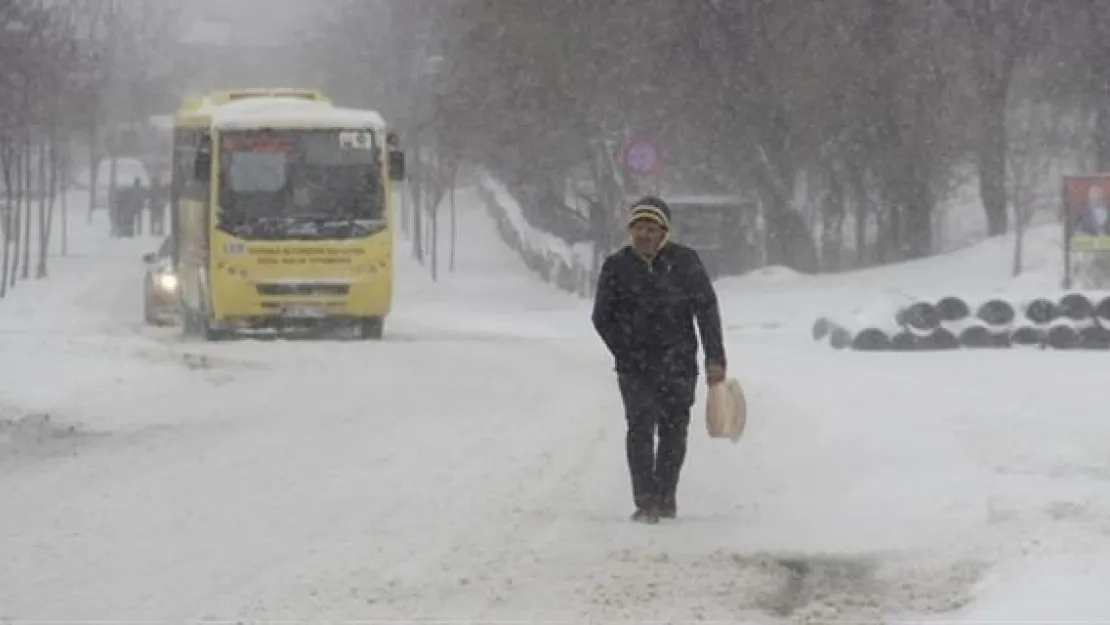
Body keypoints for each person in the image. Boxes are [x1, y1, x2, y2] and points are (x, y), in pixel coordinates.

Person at [591, 196, 727, 523]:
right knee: (639, 428)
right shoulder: (616, 266)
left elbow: (706, 311)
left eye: (651, 228)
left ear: (664, 231)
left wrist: (715, 358)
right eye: (638, 228)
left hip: (678, 363)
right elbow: (601, 317)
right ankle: (645, 499)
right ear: (630, 231)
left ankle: (666, 495)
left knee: (673, 430)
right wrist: (625, 350)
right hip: (634, 367)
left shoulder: (685, 263)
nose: (645, 234)